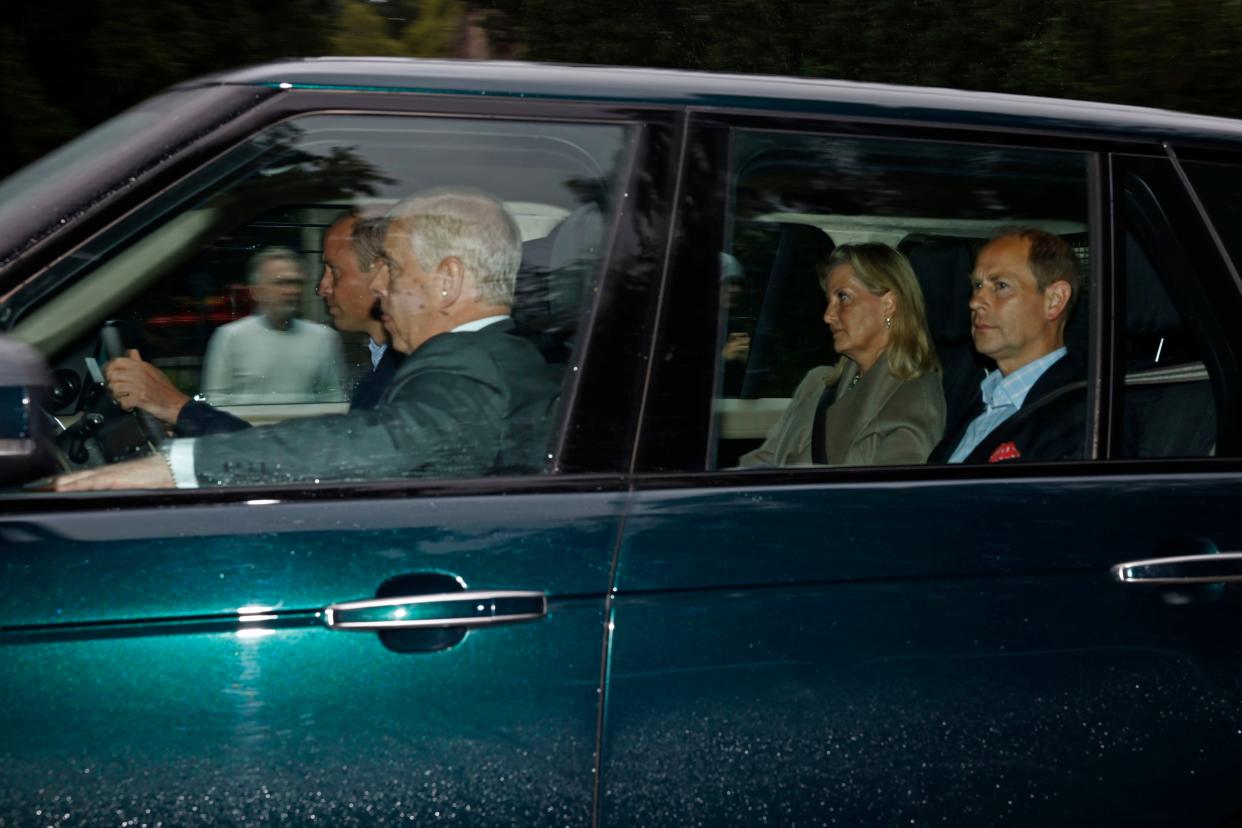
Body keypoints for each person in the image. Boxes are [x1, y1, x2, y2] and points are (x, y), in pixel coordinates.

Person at [56, 187, 562, 491]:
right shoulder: (497, 355)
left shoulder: (471, 366)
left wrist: (176, 468)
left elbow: (384, 444)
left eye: (392, 268)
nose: (379, 285)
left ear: (448, 281)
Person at [106, 211, 402, 436]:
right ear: (257, 291)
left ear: (380, 276)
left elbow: (320, 462)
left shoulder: (402, 375)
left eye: (334, 272)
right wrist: (183, 415)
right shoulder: (384, 365)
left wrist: (177, 408)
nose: (321, 288)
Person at [740, 243, 945, 468]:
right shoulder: (816, 384)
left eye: (843, 297)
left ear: (888, 305)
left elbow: (888, 499)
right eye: (829, 300)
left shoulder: (914, 398)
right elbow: (762, 462)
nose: (828, 316)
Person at [930, 228, 1084, 464]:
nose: (975, 302)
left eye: (1001, 286)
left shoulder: (1085, 416)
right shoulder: (981, 398)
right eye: (977, 285)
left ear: (1055, 300)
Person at [198, 246, 346, 405]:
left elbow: (334, 401)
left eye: (296, 282)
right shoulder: (230, 337)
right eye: (281, 282)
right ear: (256, 292)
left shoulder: (324, 338)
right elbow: (215, 403)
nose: (291, 290)